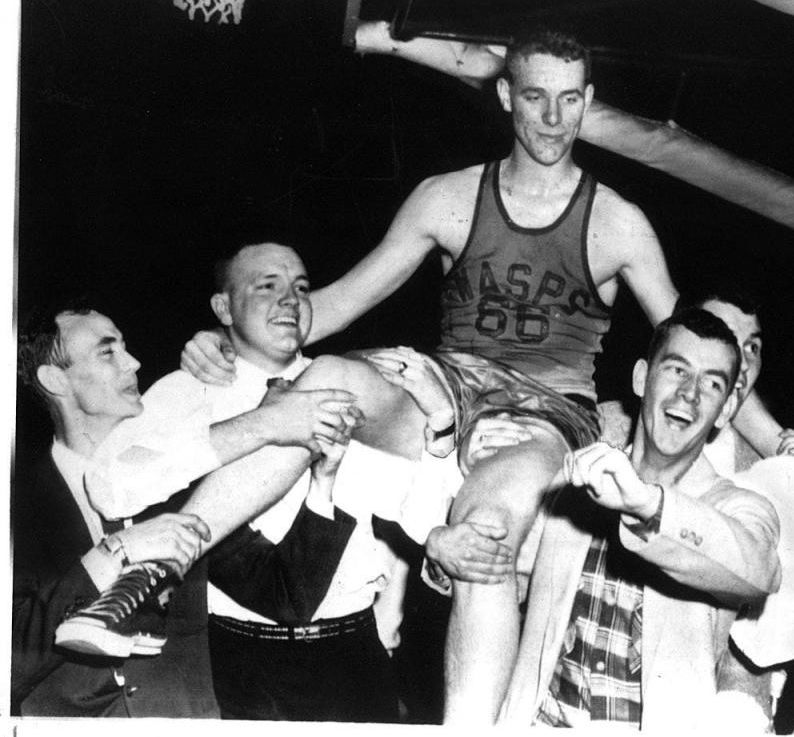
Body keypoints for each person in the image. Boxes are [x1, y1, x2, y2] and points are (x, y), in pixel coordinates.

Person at [178, 29, 792, 723]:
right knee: (322, 381)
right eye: (536, 98)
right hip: (451, 383)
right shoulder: (447, 198)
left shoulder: (618, 224)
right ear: (505, 96)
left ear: (588, 103)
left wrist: (781, 443)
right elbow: (335, 305)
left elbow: (700, 350)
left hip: (550, 408)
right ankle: (159, 555)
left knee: (489, 532)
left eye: (569, 100)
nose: (553, 120)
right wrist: (227, 335)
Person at [82, 241, 522, 721]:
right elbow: (109, 487)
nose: (290, 300)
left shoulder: (348, 385)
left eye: (302, 288)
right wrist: (260, 425)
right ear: (223, 308)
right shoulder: (185, 392)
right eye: (267, 286)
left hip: (351, 652)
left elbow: (407, 502)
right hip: (239, 661)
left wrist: (439, 451)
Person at [498, 307, 781, 731]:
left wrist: (648, 505)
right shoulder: (575, 480)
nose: (690, 393)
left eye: (712, 383)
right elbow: (503, 568)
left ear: (725, 410)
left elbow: (759, 571)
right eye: (677, 370)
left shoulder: (738, 506)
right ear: (640, 378)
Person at [12, 301, 217, 716]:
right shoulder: (15, 506)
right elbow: (10, 659)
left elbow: (282, 596)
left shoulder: (182, 480)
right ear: (55, 379)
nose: (134, 363)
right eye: (108, 352)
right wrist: (114, 552)